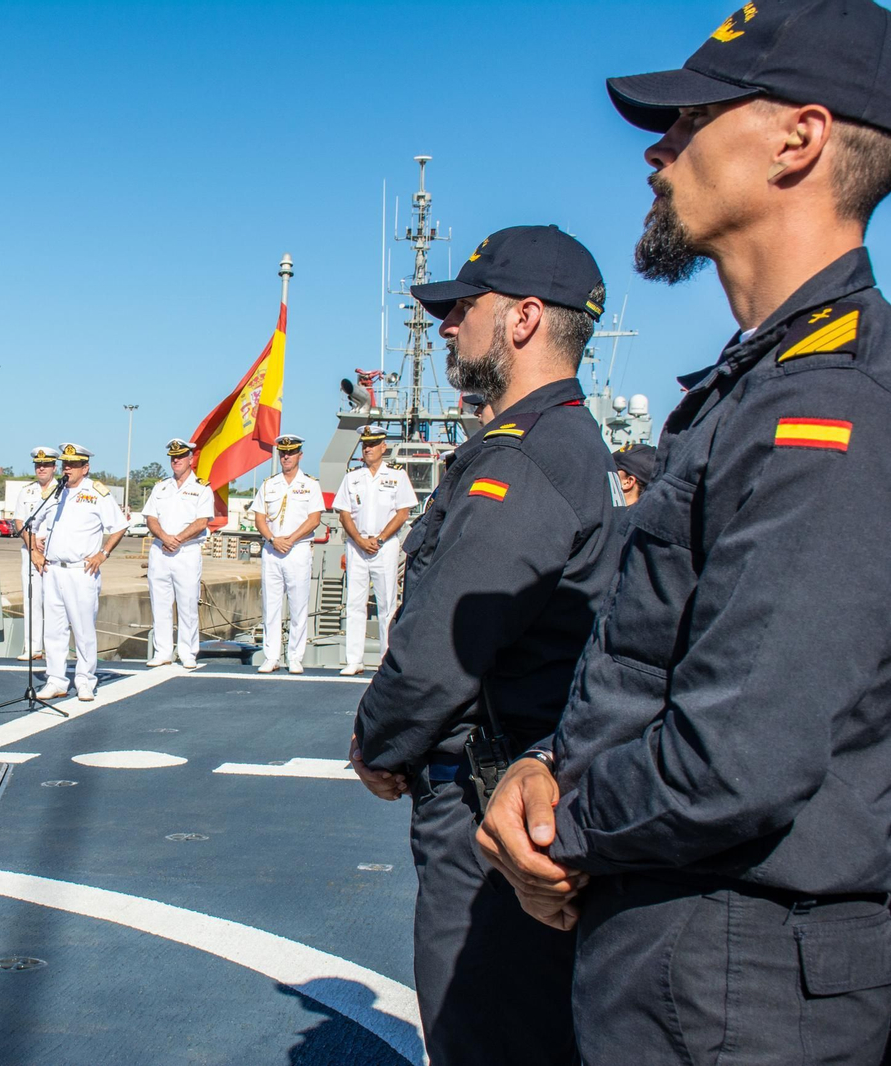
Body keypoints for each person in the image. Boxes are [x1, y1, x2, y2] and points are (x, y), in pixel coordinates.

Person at [478, 7, 891, 1063]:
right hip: (694, 945)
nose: (657, 152)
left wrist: (553, 819)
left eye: (688, 118)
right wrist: (544, 758)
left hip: (738, 974)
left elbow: (738, 754)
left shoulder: (826, 407)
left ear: (797, 141)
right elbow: (655, 661)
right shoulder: (753, 388)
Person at [350, 225, 620, 1066]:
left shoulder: (527, 458)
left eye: (464, 309)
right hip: (516, 785)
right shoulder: (569, 445)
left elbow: (445, 636)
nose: (446, 326)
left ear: (526, 319)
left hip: (484, 803)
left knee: (485, 1034)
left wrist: (378, 743)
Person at [35, 443, 127, 701]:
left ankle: (85, 679)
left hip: (81, 571)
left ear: (85, 468)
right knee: (53, 630)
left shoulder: (96, 493)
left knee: (84, 629)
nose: (68, 468)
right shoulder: (55, 492)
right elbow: (34, 523)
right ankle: (56, 680)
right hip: (53, 570)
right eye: (65, 463)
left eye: (74, 464)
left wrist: (103, 553)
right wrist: (35, 549)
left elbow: (119, 526)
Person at [332, 425, 418, 677]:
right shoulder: (352, 478)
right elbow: (344, 513)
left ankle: (386, 659)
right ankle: (354, 660)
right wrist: (358, 539)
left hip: (385, 546)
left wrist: (379, 539)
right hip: (357, 546)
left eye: (372, 444)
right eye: (364, 444)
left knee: (387, 604)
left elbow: (403, 512)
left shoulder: (397, 477)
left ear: (384, 447)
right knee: (355, 604)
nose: (367, 448)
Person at [250, 435, 324, 674]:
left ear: (300, 455)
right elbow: (259, 517)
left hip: (297, 550)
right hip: (272, 550)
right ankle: (271, 656)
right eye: (283, 453)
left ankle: (295, 656)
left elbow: (314, 520)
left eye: (291, 453)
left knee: (298, 606)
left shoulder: (311, 485)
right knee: (270, 606)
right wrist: (273, 539)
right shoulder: (269, 484)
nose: (286, 457)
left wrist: (290, 540)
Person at [141, 438, 212, 669]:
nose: (176, 461)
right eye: (173, 457)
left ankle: (188, 651)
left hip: (187, 552)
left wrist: (177, 539)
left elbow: (202, 522)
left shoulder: (202, 488)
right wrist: (164, 537)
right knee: (159, 603)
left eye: (181, 457)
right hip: (160, 550)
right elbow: (150, 517)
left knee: (188, 603)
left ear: (191, 459)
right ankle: (163, 651)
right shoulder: (161, 486)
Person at [11, 446, 59, 661]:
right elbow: (19, 521)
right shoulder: (27, 491)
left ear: (54, 467)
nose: (41, 468)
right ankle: (32, 647)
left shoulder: (63, 490)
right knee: (32, 599)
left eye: (46, 465)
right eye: (38, 465)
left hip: (54, 552)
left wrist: (47, 540)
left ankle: (54, 648)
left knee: (55, 602)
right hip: (30, 551)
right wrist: (32, 543)